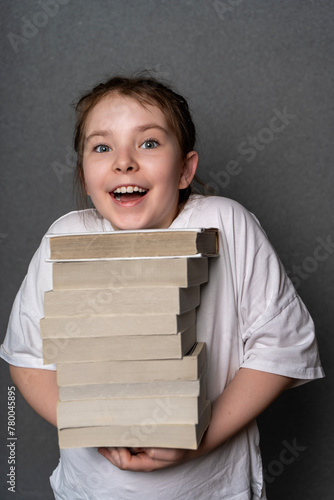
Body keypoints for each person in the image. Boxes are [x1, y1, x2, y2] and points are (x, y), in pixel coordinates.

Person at [0, 73, 324, 499]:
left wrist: (199, 439)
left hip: (212, 488)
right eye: (102, 147)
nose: (124, 161)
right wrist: (95, 426)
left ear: (186, 169)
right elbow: (27, 358)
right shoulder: (64, 238)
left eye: (149, 143)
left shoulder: (226, 225)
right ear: (84, 175)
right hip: (93, 490)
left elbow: (284, 347)